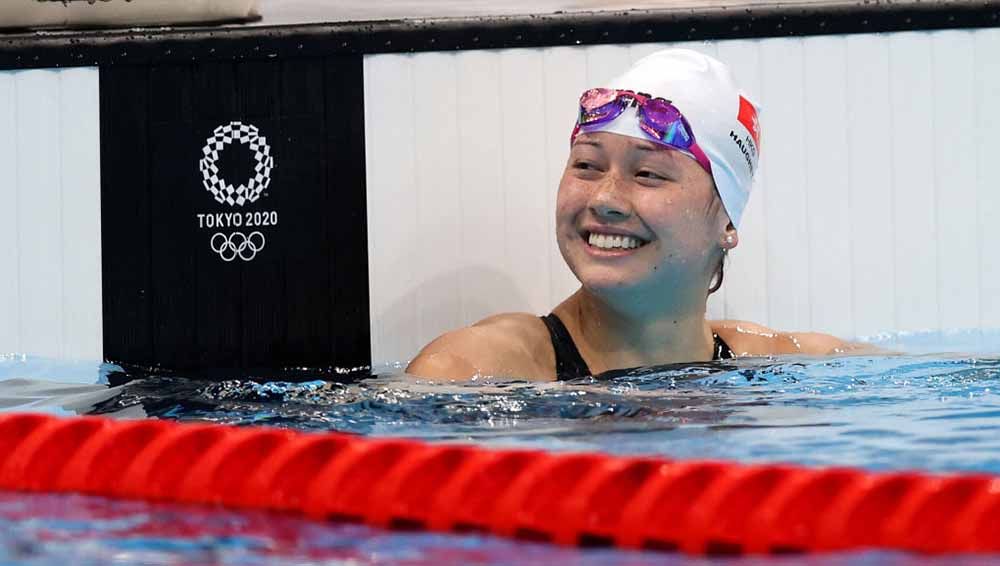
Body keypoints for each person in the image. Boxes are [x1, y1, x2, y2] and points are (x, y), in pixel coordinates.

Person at [408, 49, 868, 381]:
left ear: (728, 221)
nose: (605, 198)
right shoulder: (473, 370)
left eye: (647, 173)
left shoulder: (796, 363)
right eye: (586, 165)